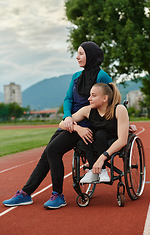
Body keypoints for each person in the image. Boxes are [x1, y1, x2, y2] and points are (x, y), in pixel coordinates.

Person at [3, 42, 112, 209]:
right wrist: (68, 117)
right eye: (77, 53)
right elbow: (68, 99)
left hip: (87, 126)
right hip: (71, 122)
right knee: (46, 155)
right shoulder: (76, 77)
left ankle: (57, 195)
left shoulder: (102, 76)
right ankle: (25, 193)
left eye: (81, 53)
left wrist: (124, 121)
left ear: (91, 56)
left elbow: (111, 99)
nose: (77, 57)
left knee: (53, 150)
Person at [59, 83, 129, 183]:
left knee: (100, 133)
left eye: (93, 95)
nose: (89, 99)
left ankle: (102, 170)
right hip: (97, 142)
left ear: (105, 98)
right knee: (84, 136)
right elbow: (61, 124)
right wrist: (78, 129)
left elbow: (122, 140)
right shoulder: (88, 110)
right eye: (90, 95)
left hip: (112, 143)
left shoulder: (119, 109)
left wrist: (101, 159)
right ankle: (93, 170)